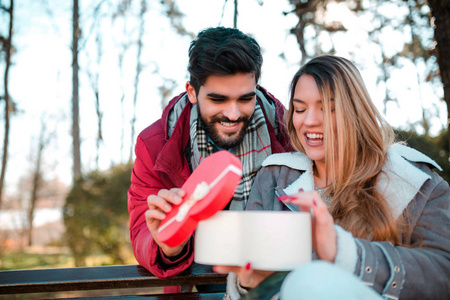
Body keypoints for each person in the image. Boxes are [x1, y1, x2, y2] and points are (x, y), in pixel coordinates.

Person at [215, 55, 450, 299]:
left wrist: (345, 252)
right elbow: (248, 279)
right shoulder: (275, 176)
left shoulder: (411, 178)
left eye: (328, 108)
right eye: (300, 109)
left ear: (356, 112)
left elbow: (443, 272)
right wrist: (250, 282)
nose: (309, 121)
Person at [127, 26, 293, 290]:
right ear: (192, 92)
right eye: (218, 99)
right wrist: (168, 246)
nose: (233, 113)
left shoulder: (288, 131)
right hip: (198, 286)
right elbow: (142, 231)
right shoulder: (155, 144)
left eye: (245, 98)